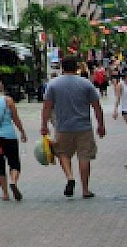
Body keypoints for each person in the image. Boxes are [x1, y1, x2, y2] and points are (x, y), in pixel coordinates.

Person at [41, 57, 105, 199]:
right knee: (84, 156)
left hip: (63, 127)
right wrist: (101, 125)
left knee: (63, 153)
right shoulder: (86, 84)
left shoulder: (53, 84)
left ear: (62, 67)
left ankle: (70, 177)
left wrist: (44, 125)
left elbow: (47, 107)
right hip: (84, 127)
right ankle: (85, 190)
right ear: (76, 67)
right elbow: (97, 107)